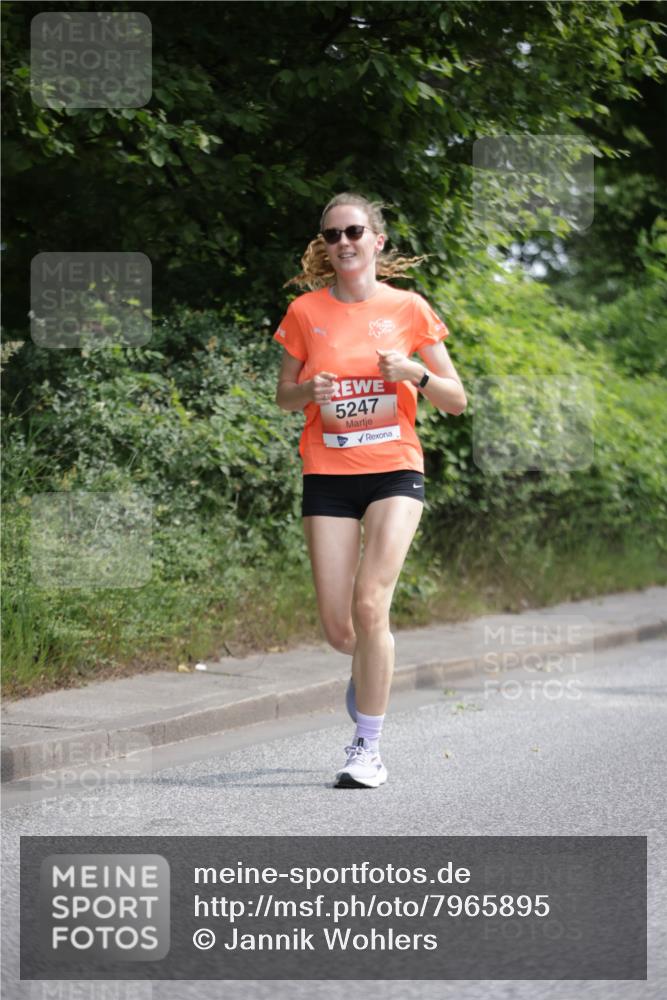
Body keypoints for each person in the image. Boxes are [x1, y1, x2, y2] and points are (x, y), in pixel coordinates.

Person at [273, 192, 467, 789]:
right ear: (323, 248)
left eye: (354, 232)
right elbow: (285, 396)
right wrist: (312, 392)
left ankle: (368, 747)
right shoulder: (305, 311)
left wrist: (416, 373)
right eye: (331, 236)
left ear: (377, 240)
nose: (343, 244)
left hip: (394, 469)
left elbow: (456, 400)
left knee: (370, 601)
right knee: (342, 631)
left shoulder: (408, 308)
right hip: (327, 473)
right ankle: (371, 657)